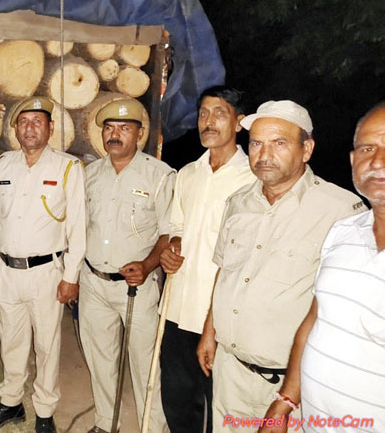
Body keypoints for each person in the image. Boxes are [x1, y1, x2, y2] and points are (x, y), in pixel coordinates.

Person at [196, 100, 366, 432]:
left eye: (279, 143)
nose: (264, 154)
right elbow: (226, 273)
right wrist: (209, 332)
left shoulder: (341, 212)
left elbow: (344, 312)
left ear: (307, 149)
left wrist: (290, 397)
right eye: (256, 143)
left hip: (293, 387)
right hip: (231, 374)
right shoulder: (238, 202)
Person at [259, 103, 385, 433]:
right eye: (367, 149)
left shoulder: (333, 205)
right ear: (353, 160)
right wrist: (286, 399)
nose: (377, 162)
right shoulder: (344, 231)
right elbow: (316, 317)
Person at [0, 96, 86, 433]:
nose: (30, 128)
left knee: (47, 345)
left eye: (38, 122)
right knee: (11, 340)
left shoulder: (67, 167)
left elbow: (78, 227)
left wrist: (71, 276)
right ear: (15, 129)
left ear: (50, 128)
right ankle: (11, 402)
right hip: (8, 272)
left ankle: (44, 410)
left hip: (47, 273)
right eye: (24, 122)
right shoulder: (4, 165)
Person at [158, 86, 256, 432]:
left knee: (220, 405)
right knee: (177, 399)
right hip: (178, 308)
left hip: (221, 315)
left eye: (219, 113)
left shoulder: (252, 179)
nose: (208, 121)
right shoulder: (188, 173)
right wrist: (172, 247)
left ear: (239, 122)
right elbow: (176, 226)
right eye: (203, 113)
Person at [80, 99, 173, 433]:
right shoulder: (90, 174)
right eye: (109, 128)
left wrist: (148, 265)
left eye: (124, 128)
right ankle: (107, 423)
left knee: (146, 364)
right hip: (94, 282)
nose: (115, 134)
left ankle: (153, 427)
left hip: (137, 286)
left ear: (140, 134)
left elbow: (169, 232)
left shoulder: (159, 175)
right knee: (100, 359)